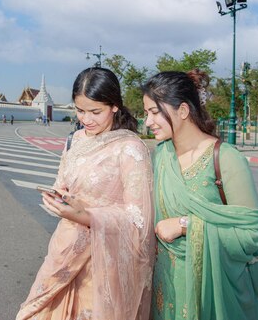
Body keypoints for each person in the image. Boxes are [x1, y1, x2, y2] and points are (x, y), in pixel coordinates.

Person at [16, 67, 155, 320]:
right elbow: (63, 182)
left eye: (95, 112)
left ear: (114, 106)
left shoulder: (130, 148)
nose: (86, 119)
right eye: (80, 111)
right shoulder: (76, 139)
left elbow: (139, 220)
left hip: (103, 263)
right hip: (65, 247)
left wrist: (87, 215)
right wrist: (58, 197)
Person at [142, 70, 258, 320]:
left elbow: (252, 235)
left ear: (182, 111)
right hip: (166, 288)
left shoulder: (226, 158)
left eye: (154, 112)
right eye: (146, 113)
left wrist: (186, 226)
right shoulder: (161, 155)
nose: (147, 122)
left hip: (214, 291)